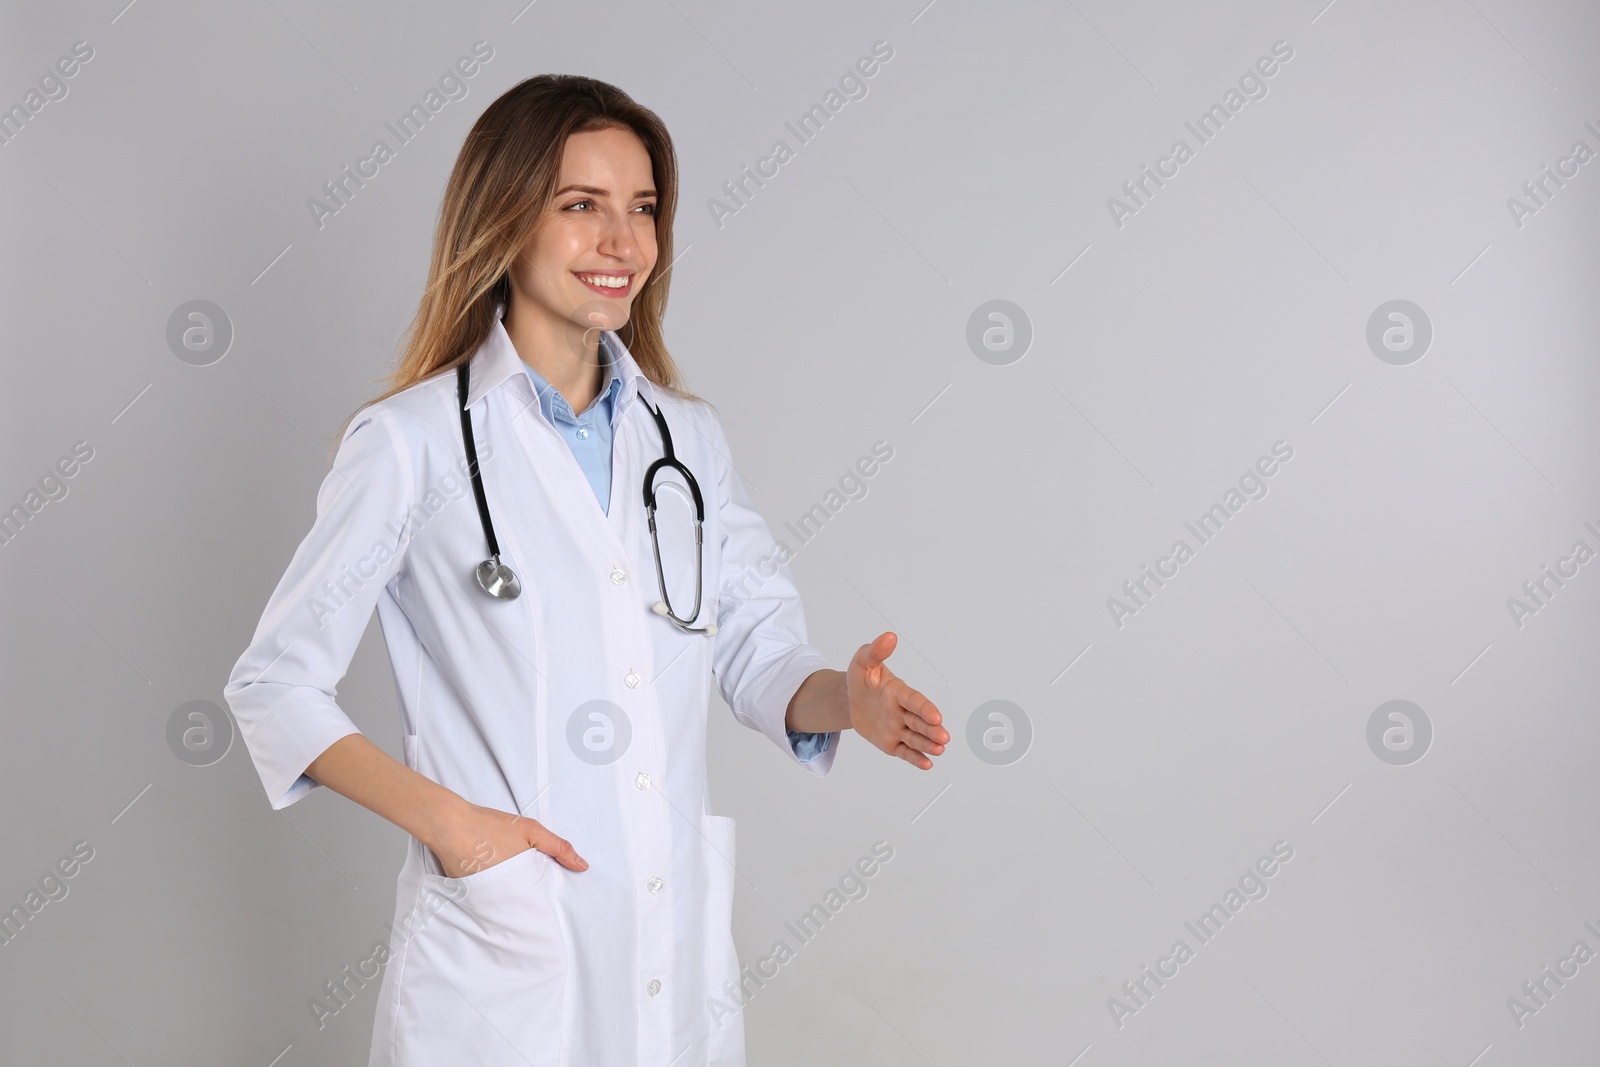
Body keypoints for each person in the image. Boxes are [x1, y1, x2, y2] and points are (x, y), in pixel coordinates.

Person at [223, 74, 949, 1067]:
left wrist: (846, 701)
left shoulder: (685, 440)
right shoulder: (413, 443)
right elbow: (273, 686)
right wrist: (455, 826)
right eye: (581, 207)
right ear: (505, 218)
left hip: (664, 943)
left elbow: (752, 649)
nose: (623, 243)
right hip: (503, 953)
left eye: (642, 209)